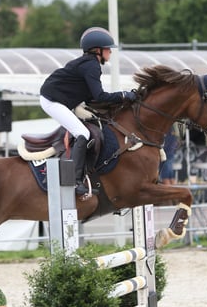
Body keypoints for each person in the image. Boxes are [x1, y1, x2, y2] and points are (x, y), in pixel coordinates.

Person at [39, 27, 136, 196]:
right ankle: (74, 181)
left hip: (57, 100)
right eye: (108, 49)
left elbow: (92, 98)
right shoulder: (91, 66)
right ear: (97, 50)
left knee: (86, 130)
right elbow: (100, 96)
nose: (110, 53)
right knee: (83, 133)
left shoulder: (88, 63)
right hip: (51, 101)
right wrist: (123, 95)